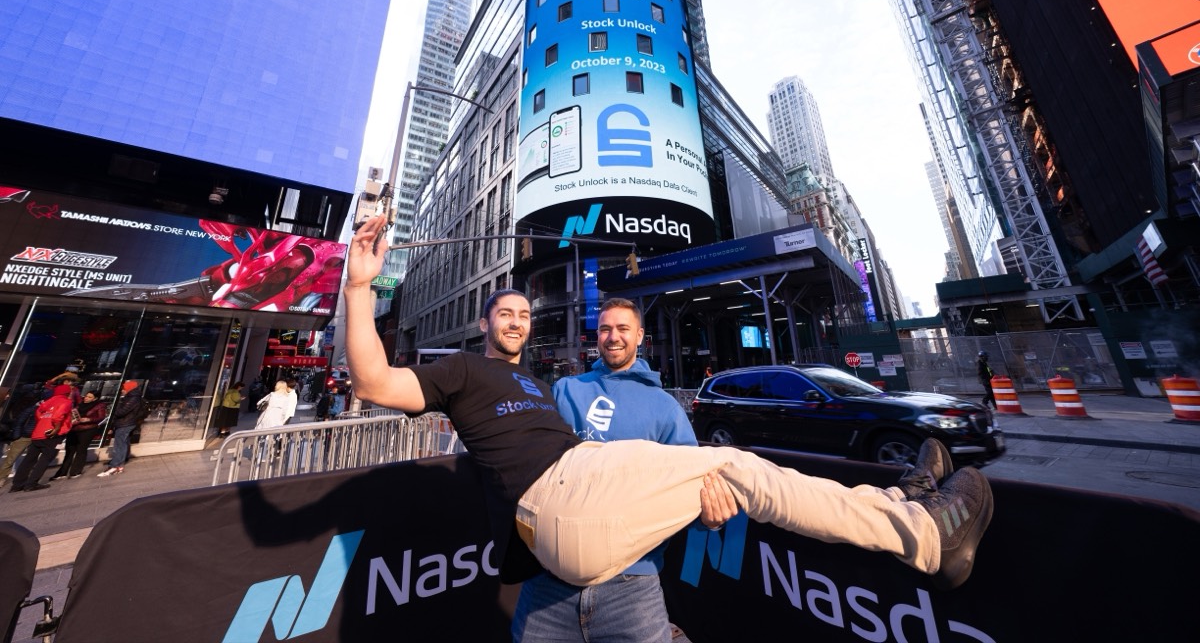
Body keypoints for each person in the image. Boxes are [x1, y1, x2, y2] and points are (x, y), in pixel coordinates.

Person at [345, 215, 993, 592]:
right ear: (486, 323)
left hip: (600, 525)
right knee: (736, 465)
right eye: (504, 313)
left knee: (731, 473)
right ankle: (921, 533)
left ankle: (899, 503)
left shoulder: (543, 388)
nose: (515, 320)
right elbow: (373, 382)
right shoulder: (462, 371)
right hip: (556, 507)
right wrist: (358, 289)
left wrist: (700, 500)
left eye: (523, 314)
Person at [512, 297, 737, 642]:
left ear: (640, 336)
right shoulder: (566, 390)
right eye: (605, 329)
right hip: (550, 583)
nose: (613, 337)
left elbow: (692, 486)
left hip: (632, 587)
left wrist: (711, 516)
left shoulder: (665, 408)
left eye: (622, 328)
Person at [9, 384, 74, 492]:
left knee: (29, 459)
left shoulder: (48, 401)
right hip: (52, 434)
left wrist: (43, 422)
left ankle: (17, 484)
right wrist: (56, 428)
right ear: (67, 393)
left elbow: (38, 413)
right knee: (45, 459)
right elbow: (58, 416)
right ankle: (31, 484)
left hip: (38, 433)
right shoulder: (66, 401)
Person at [52, 390, 108, 479]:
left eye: (90, 397)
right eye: (86, 396)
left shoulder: (99, 405)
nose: (86, 398)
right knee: (69, 451)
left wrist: (89, 419)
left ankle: (75, 471)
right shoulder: (79, 405)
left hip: (87, 429)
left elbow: (101, 417)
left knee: (81, 450)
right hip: (74, 429)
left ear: (95, 398)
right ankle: (62, 472)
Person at [98, 380, 144, 477]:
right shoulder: (132, 397)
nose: (122, 391)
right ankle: (119, 465)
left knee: (119, 446)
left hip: (125, 424)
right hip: (126, 423)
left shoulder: (133, 398)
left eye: (123, 388)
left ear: (129, 388)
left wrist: (114, 408)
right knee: (123, 444)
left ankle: (114, 466)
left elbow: (121, 412)